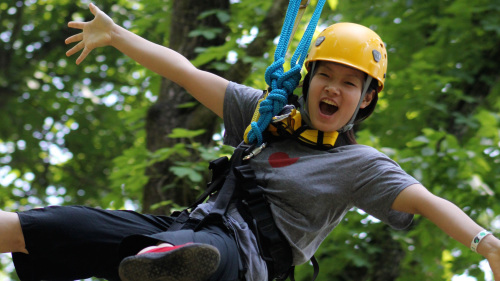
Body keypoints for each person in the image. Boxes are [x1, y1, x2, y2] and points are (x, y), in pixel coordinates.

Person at [1, 2, 499, 281]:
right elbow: (186, 71)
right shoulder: (265, 116)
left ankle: (163, 263)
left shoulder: (361, 164)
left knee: (203, 255)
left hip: (245, 262)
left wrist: (486, 244)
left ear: (365, 100)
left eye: (350, 83)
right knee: (61, 224)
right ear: (307, 82)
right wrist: (117, 35)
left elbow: (432, 204)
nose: (333, 88)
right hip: (185, 230)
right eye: (324, 75)